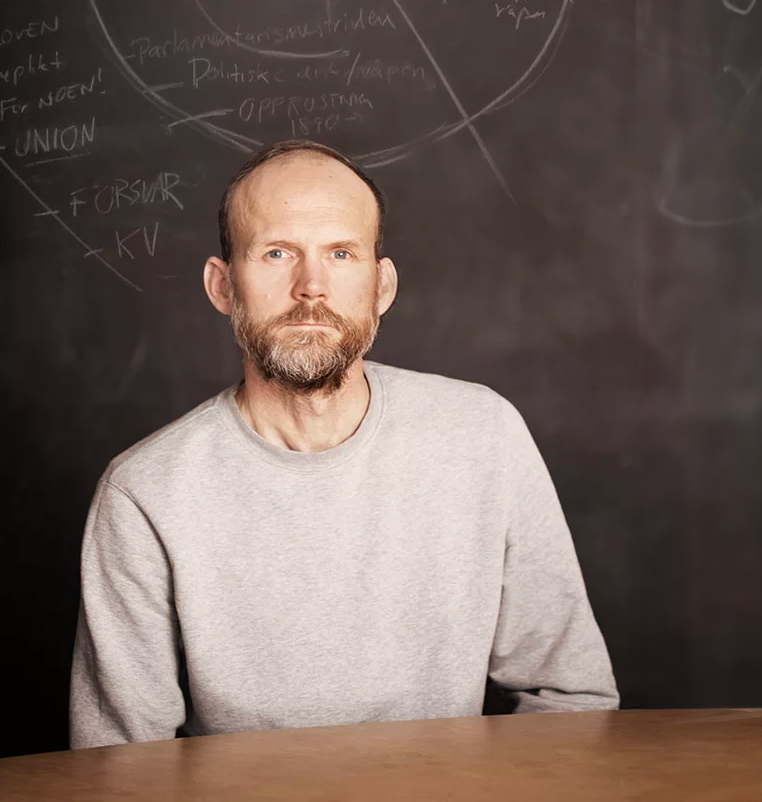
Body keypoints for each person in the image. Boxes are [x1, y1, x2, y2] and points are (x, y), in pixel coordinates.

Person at [69, 140, 619, 749]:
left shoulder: (483, 435)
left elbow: (571, 699)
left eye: (341, 252)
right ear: (223, 286)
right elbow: (119, 768)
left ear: (381, 285)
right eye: (277, 252)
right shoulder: (144, 493)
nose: (311, 286)